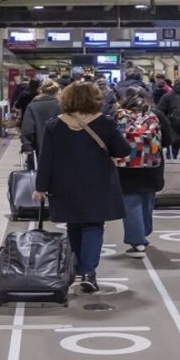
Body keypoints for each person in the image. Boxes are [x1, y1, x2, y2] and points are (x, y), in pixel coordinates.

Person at [34, 82, 131, 293]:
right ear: (95, 99)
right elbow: (123, 150)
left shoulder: (54, 125)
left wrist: (40, 187)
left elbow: (45, 159)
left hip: (65, 185)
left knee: (74, 225)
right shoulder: (105, 123)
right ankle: (88, 272)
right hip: (98, 183)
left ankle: (77, 266)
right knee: (93, 226)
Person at [114, 89, 171, 258]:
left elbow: (112, 140)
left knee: (130, 201)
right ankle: (144, 231)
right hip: (152, 164)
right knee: (147, 198)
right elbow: (167, 139)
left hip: (125, 166)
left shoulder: (118, 115)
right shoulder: (156, 114)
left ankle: (137, 241)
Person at [20, 79, 62, 169]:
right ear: (58, 92)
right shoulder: (63, 106)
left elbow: (28, 129)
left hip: (41, 148)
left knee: (42, 171)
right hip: (62, 147)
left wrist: (27, 143)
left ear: (40, 91)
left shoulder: (32, 106)